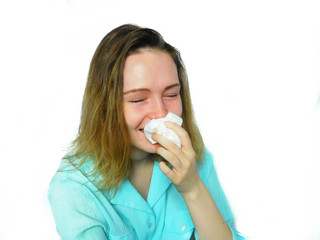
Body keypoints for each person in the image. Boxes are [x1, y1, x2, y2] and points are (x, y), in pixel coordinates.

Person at [48, 24, 246, 240]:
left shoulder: (195, 160)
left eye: (171, 94)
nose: (160, 112)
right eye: (139, 99)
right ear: (104, 105)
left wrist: (193, 189)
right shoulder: (73, 188)